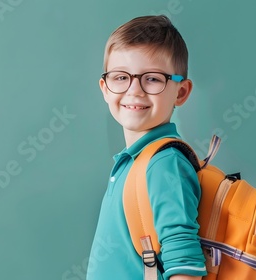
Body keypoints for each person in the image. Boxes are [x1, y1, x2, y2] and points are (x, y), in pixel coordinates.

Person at [86, 15, 207, 280]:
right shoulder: (135, 160)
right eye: (121, 77)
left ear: (181, 92)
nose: (135, 91)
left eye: (152, 79)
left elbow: (184, 265)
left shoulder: (165, 163)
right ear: (105, 88)